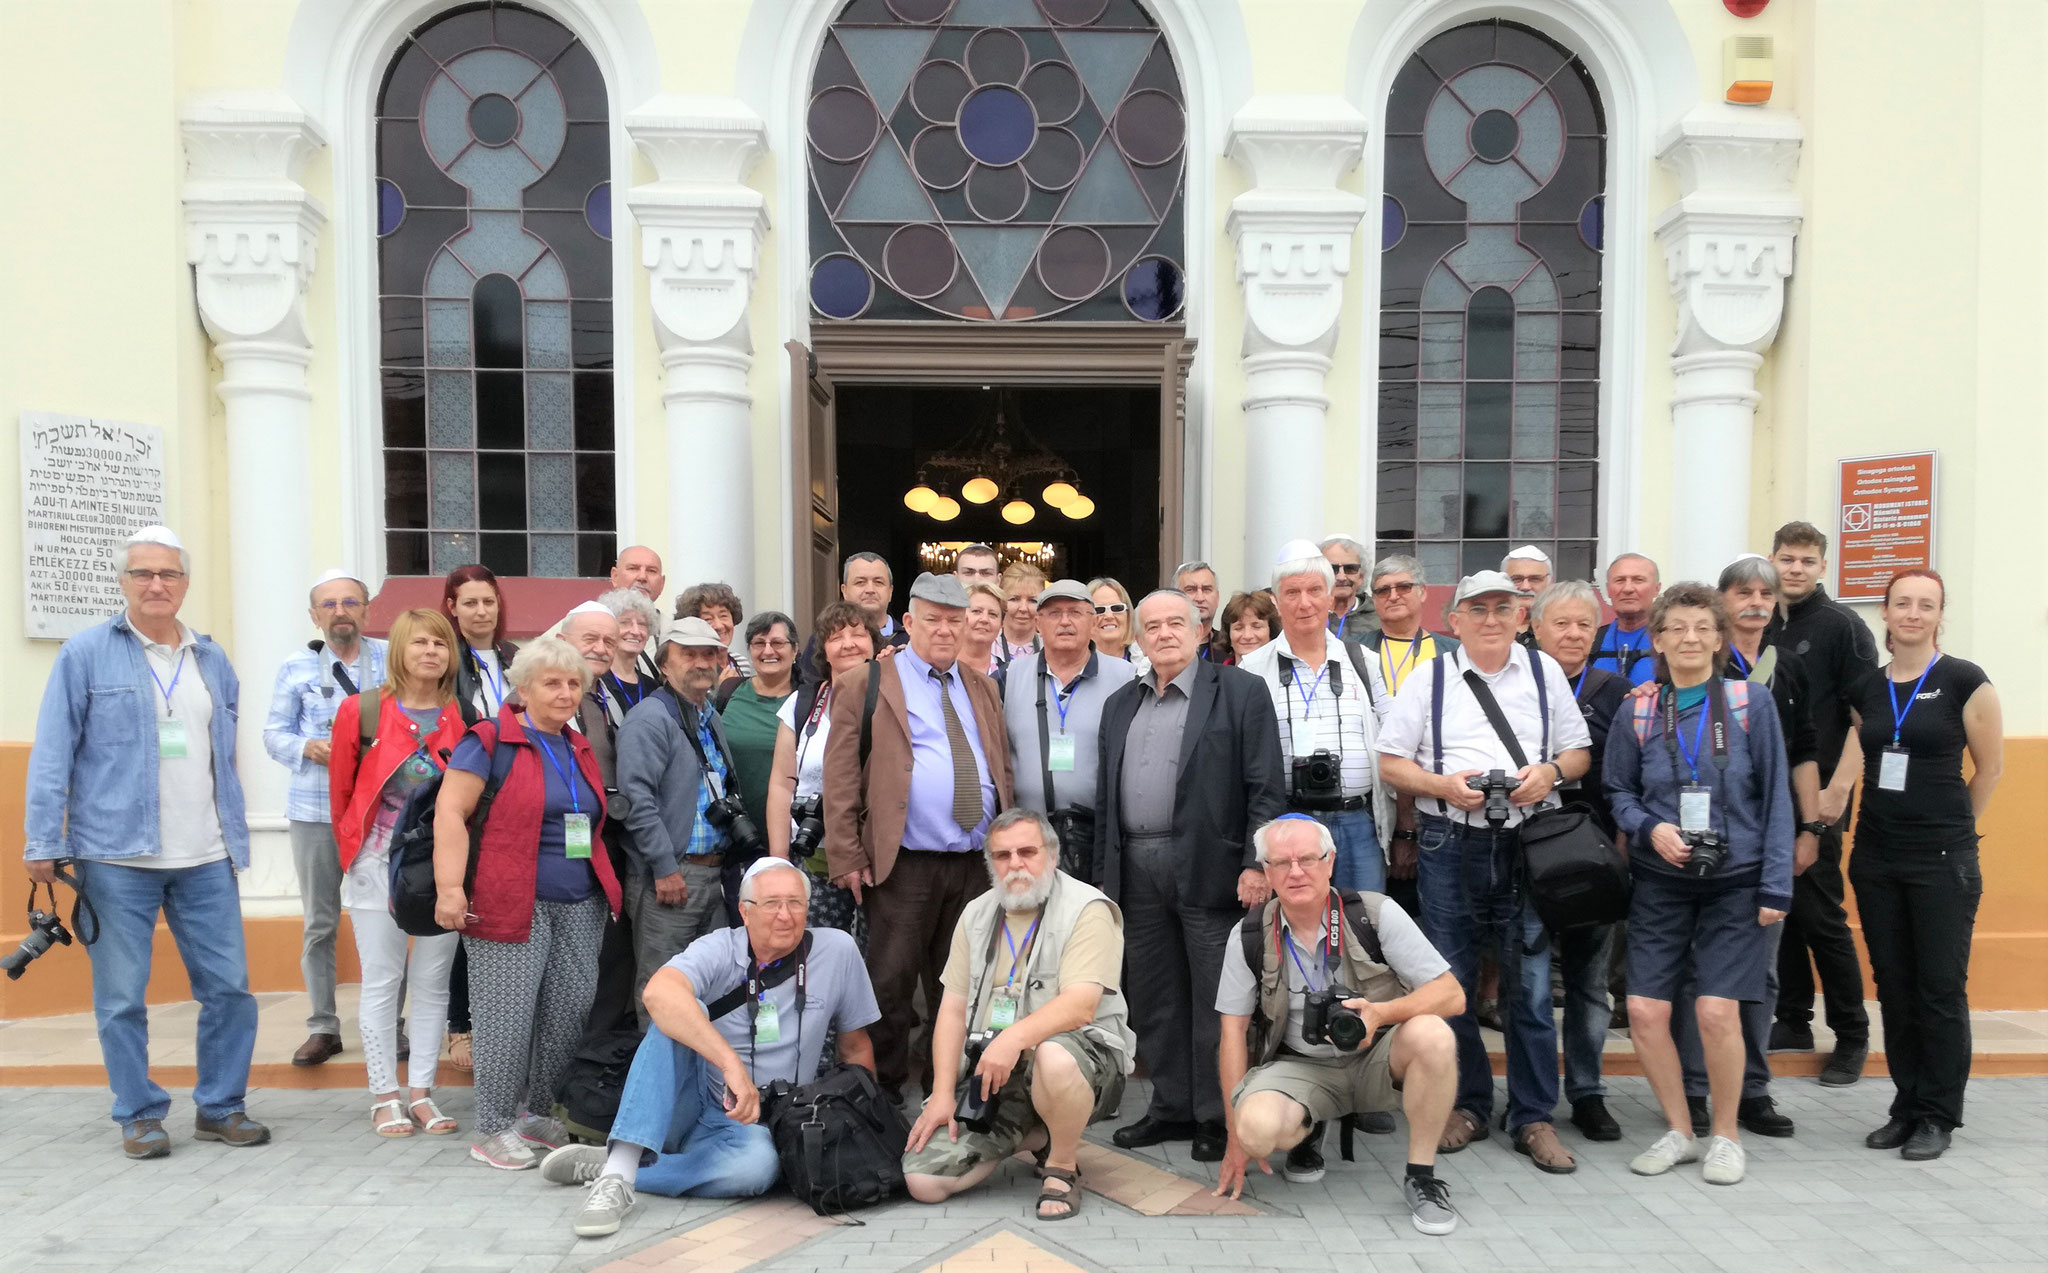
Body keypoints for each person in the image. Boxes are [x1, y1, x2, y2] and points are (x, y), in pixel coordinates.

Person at [24, 526, 270, 1158]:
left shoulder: (212, 658)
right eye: (142, 574)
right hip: (115, 856)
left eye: (169, 574)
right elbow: (54, 751)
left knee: (230, 990)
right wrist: (41, 838)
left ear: (185, 583)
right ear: (124, 582)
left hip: (207, 855)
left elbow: (225, 757)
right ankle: (138, 1114)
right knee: (120, 998)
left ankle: (220, 1106)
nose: (156, 584)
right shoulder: (84, 653)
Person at [1374, 570, 1590, 1174]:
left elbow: (1579, 752)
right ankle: (1466, 1104)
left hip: (1531, 843)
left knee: (1530, 985)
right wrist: (1440, 785)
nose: (1492, 618)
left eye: (1503, 607)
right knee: (1454, 983)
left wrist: (1549, 774)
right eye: (1478, 608)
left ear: (1521, 617)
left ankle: (1533, 1115)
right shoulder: (1430, 678)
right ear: (1456, 620)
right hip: (1451, 840)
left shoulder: (1544, 673)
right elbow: (1391, 763)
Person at [537, 858, 882, 1237]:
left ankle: (619, 1168)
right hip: (694, 1105)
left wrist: (870, 1124)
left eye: (795, 903)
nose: (785, 915)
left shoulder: (838, 951)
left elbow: (855, 1047)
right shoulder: (719, 947)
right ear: (745, 911)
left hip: (766, 1123)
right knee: (679, 1013)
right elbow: (658, 992)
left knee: (757, 1172)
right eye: (771, 904)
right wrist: (730, 1064)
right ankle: (619, 1170)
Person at [1603, 583, 1793, 1187]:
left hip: (1736, 880)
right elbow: (1619, 793)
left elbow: (1777, 799)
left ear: (1720, 637)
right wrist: (1649, 828)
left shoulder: (1748, 704)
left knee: (1715, 1010)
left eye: (1701, 628)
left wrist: (1775, 887)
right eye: (1676, 628)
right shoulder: (1639, 709)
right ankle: (1681, 1130)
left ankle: (1727, 1135)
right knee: (1644, 1009)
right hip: (1661, 880)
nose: (1689, 638)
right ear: (1656, 640)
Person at [1096, 590, 1286, 1161]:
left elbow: (1266, 787)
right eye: (1150, 626)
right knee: (1154, 995)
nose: (1164, 634)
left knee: (1214, 997)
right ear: (1137, 637)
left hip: (1211, 867)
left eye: (1175, 623)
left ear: (1201, 630)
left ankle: (1214, 1113)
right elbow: (1108, 797)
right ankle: (1170, 1106)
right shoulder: (1119, 703)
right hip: (1135, 866)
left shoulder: (1241, 692)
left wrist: (1258, 863)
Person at [1213, 817, 1464, 1236]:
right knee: (1254, 1130)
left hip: (1378, 1054)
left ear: (1330, 862)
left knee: (1434, 1034)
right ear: (1267, 872)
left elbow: (1452, 995)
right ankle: (1311, 1124)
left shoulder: (1374, 914)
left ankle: (1422, 1175)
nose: (1296, 872)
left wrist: (1382, 1015)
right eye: (1281, 863)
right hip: (1302, 1066)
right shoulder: (1250, 934)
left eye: (1308, 859)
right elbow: (1232, 1032)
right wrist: (1233, 1138)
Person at [432, 636, 625, 1170]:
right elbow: (450, 813)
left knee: (567, 1012)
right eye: (552, 683)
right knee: (506, 1016)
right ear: (523, 688)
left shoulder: (578, 745)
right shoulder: (491, 739)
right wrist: (451, 889)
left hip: (578, 901)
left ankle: (537, 1112)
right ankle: (493, 1126)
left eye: (572, 684)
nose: (565, 694)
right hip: (508, 900)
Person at [823, 572, 1014, 1098]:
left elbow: (999, 766)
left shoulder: (983, 687)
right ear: (908, 623)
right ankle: (879, 1091)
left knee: (960, 982)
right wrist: (845, 853)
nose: (947, 631)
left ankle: (944, 1085)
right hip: (902, 860)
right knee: (889, 979)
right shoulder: (868, 683)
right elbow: (839, 776)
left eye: (956, 620)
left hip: (974, 863)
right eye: (934, 620)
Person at [903, 809, 1136, 1220]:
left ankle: (1061, 1167)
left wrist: (1012, 1039)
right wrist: (941, 1094)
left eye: (1027, 852)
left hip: (1080, 1067)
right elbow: (952, 1010)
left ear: (1052, 854)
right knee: (925, 1182)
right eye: (1002, 855)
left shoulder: (1087, 908)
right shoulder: (976, 914)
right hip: (995, 1075)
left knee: (1053, 1055)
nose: (1015, 864)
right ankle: (1035, 1133)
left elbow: (1081, 1004)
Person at [1844, 569, 2001, 1161]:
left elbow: (1989, 769)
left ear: (1940, 615)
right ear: (1884, 613)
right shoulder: (1867, 687)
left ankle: (1938, 1114)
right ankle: (1905, 1106)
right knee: (1895, 987)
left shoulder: (1965, 681)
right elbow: (1862, 756)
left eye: (1925, 604)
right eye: (1902, 603)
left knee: (1938, 989)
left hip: (1942, 860)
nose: (1912, 613)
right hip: (1877, 857)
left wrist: (1961, 830)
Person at [1671, 556, 1823, 1140]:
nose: (1755, 601)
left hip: (1761, 842)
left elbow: (1804, 751)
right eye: (1743, 592)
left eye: (1766, 592)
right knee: (1694, 976)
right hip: (1689, 851)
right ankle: (1695, 1087)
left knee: (1758, 976)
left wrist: (1810, 830)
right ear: (1720, 604)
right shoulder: (1678, 675)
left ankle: (1754, 1088)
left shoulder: (1785, 672)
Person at [328, 608, 469, 1138]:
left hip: (440, 872)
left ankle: (423, 1093)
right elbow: (342, 793)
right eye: (419, 643)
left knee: (433, 986)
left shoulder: (465, 717)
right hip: (374, 868)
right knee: (383, 981)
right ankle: (384, 1095)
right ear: (399, 652)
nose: (431, 651)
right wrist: (350, 857)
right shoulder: (360, 713)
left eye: (439, 643)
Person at [264, 568, 388, 1067]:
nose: (341, 612)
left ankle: (386, 1023)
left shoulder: (389, 658)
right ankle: (323, 1025)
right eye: (330, 605)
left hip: (381, 809)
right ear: (315, 616)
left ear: (366, 609)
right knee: (320, 921)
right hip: (316, 810)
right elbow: (273, 734)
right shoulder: (295, 667)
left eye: (350, 602)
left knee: (387, 916)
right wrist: (307, 746)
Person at [1765, 521, 1875, 1079]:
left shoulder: (1843, 627)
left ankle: (1853, 1033)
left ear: (1823, 567)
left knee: (1821, 917)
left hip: (1821, 798)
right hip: (1766, 801)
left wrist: (1836, 791)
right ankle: (1792, 1018)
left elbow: (1865, 718)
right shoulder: (1763, 627)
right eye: (1787, 559)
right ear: (1773, 559)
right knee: (1777, 910)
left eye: (1808, 561)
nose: (1796, 570)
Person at [1527, 580, 1630, 1142]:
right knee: (1534, 984)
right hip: (1528, 851)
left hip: (1594, 855)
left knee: (1591, 983)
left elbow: (1625, 775)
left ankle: (1588, 1093)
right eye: (1560, 623)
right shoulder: (1516, 685)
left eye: (1584, 625)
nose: (1572, 634)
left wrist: (1623, 845)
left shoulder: (1617, 692)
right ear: (1536, 628)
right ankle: (1535, 1098)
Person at [1239, 543, 1393, 895]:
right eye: (1292, 592)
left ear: (1329, 597)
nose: (1304, 603)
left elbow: (1391, 740)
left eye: (1313, 591)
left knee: (1364, 926)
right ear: (1276, 601)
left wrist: (1404, 830)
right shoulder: (1253, 669)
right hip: (1288, 824)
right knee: (1294, 932)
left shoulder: (1363, 661)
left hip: (1358, 823)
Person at [616, 617, 744, 1021]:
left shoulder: (710, 716)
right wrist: (664, 867)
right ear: (665, 665)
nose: (701, 662)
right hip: (671, 876)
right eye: (687, 654)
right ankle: (660, 1084)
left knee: (712, 985)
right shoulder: (651, 718)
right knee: (661, 990)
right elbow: (637, 799)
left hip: (713, 875)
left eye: (709, 653)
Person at [1003, 580, 1137, 888]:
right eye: (1054, 613)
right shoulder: (1009, 677)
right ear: (1038, 623)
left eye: (1075, 612)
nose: (1065, 621)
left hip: (1099, 839)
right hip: (1028, 836)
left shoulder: (1126, 678)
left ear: (1092, 621)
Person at [766, 601, 883, 948]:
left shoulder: (896, 696)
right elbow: (782, 781)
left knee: (877, 963)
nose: (848, 643)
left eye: (858, 634)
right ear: (823, 651)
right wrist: (779, 862)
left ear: (875, 643)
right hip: (816, 856)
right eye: (836, 637)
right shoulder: (803, 704)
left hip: (880, 859)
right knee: (815, 954)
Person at [560, 603, 636, 1033]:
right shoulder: (536, 695)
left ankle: (596, 1061)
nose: (601, 648)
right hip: (562, 847)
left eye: (609, 640)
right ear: (562, 641)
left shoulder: (606, 695)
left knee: (611, 953)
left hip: (607, 840)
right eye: (590, 638)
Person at [715, 611, 800, 912]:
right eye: (758, 643)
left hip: (794, 842)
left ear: (795, 649)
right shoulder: (729, 692)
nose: (767, 651)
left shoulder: (807, 702)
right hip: (736, 839)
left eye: (777, 643)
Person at [797, 552, 906, 686]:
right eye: (860, 582)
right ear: (844, 591)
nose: (870, 589)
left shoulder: (910, 642)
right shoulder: (822, 639)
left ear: (890, 592)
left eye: (878, 582)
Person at [1356, 555, 1458, 696]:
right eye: (1384, 590)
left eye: (1403, 587)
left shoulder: (1454, 651)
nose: (1393, 596)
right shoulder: (1354, 650)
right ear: (1374, 599)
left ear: (1422, 592)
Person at [445, 564, 518, 718]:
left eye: (488, 602)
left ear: (498, 603)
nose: (482, 612)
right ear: (452, 607)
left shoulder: (516, 656)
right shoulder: (444, 658)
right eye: (470, 603)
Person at [1590, 554, 1660, 686]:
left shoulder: (1670, 641)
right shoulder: (1591, 641)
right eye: (1620, 580)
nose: (1628, 589)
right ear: (1608, 590)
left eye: (1638, 580)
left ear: (1656, 589)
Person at [596, 587, 661, 715]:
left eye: (642, 624)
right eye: (625, 622)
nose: (636, 631)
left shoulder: (654, 687)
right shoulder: (596, 682)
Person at [675, 582, 753, 682]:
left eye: (723, 616)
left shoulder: (742, 663)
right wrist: (721, 691)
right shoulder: (691, 669)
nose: (719, 625)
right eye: (708, 619)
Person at [610, 547, 667, 681]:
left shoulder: (673, 632)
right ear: (615, 576)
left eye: (651, 571)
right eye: (633, 568)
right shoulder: (583, 622)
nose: (642, 577)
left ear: (662, 583)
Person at [1318, 535, 1373, 640]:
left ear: (1361, 576)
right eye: (1332, 569)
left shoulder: (1380, 616)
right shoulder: (1307, 613)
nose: (1341, 577)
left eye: (1350, 568)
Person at [1502, 546, 1552, 647]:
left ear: (1550, 583)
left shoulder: (1563, 630)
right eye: (1517, 579)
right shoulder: (1488, 629)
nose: (1525, 587)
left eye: (1535, 579)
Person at [1214, 590, 1280, 665]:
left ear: (1271, 631)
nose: (1247, 636)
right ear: (1228, 634)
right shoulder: (1217, 675)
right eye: (1239, 628)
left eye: (1256, 627)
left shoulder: (1287, 672)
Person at [999, 561, 1046, 662]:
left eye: (1032, 600)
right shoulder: (986, 645)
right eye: (1014, 599)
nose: (1023, 608)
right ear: (1002, 602)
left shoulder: (1050, 648)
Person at [1172, 559, 1222, 654]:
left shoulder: (1231, 648)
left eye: (1207, 589)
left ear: (1217, 598)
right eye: (1191, 590)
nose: (1200, 598)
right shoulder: (1164, 644)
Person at [961, 581, 1009, 679]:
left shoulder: (1008, 676)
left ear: (1002, 624)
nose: (984, 619)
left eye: (992, 614)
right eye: (976, 611)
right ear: (960, 616)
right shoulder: (940, 669)